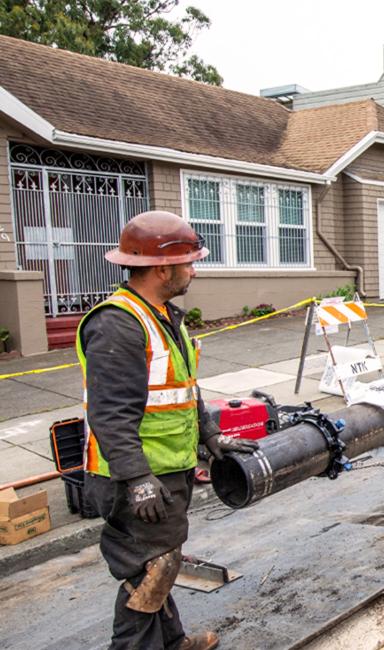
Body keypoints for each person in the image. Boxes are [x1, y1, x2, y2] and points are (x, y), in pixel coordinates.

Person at [78, 211, 259, 650]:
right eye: (190, 262)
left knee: (163, 559)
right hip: (134, 477)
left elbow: (182, 386)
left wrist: (209, 435)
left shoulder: (160, 315)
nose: (194, 270)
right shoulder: (119, 324)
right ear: (163, 268)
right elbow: (111, 414)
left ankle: (172, 642)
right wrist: (138, 480)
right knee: (149, 569)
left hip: (166, 467)